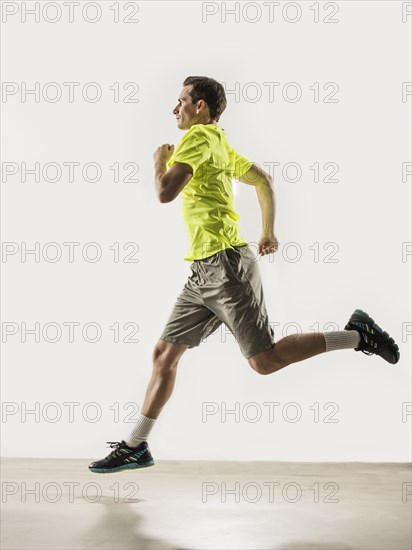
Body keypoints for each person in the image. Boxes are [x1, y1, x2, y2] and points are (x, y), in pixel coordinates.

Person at [89, 76, 400, 473]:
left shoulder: (199, 139)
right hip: (202, 270)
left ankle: (357, 334)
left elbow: (165, 192)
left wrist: (158, 161)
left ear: (200, 107)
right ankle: (136, 445)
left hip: (226, 268)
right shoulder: (219, 143)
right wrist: (267, 231)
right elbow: (263, 180)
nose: (175, 108)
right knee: (164, 354)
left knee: (264, 362)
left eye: (181, 101)